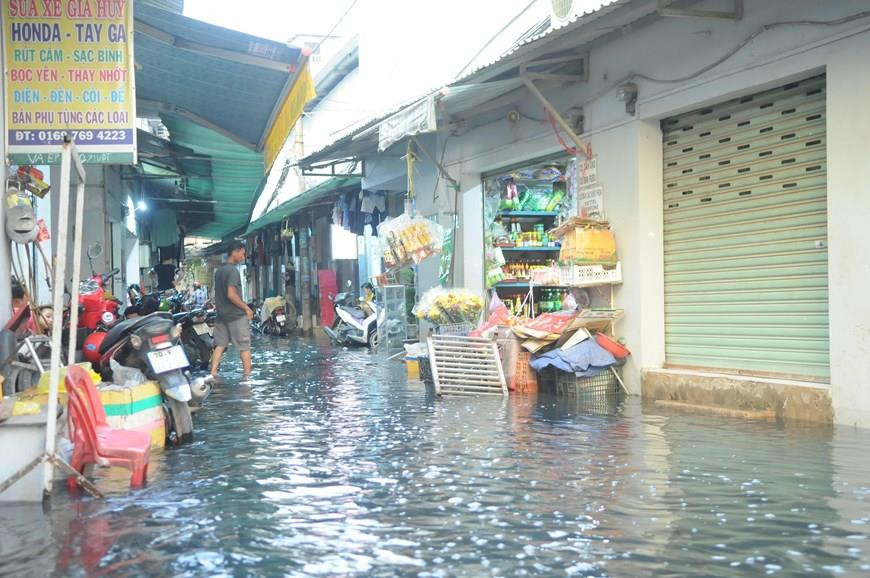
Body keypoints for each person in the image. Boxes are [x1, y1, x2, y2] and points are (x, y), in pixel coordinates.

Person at [210, 241, 254, 378]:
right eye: (242, 252)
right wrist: (246, 308)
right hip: (236, 316)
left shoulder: (219, 271)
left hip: (221, 315)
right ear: (234, 252)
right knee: (244, 347)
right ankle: (247, 378)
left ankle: (213, 374)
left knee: (220, 345)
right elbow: (231, 294)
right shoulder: (233, 271)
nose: (243, 256)